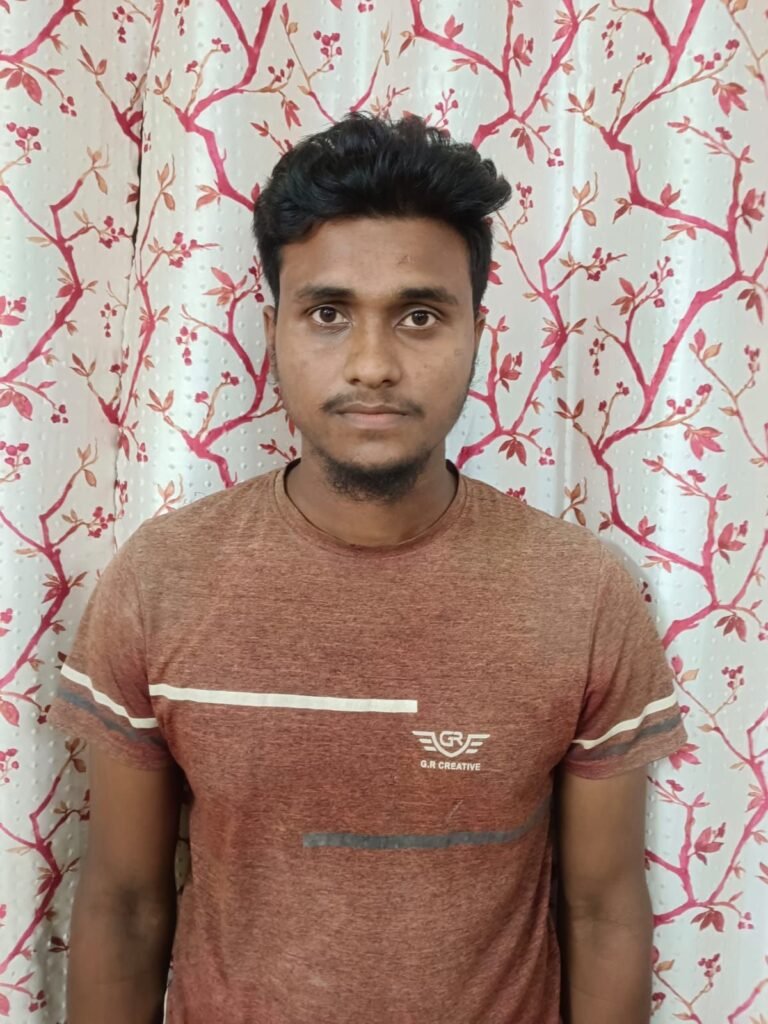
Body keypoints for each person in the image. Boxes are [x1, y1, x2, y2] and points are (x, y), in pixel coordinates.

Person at [50, 111, 688, 1024]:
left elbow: (602, 911)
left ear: (477, 331)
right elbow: (124, 903)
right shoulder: (161, 580)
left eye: (420, 316)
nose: (374, 364)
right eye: (328, 313)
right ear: (273, 327)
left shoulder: (583, 594)